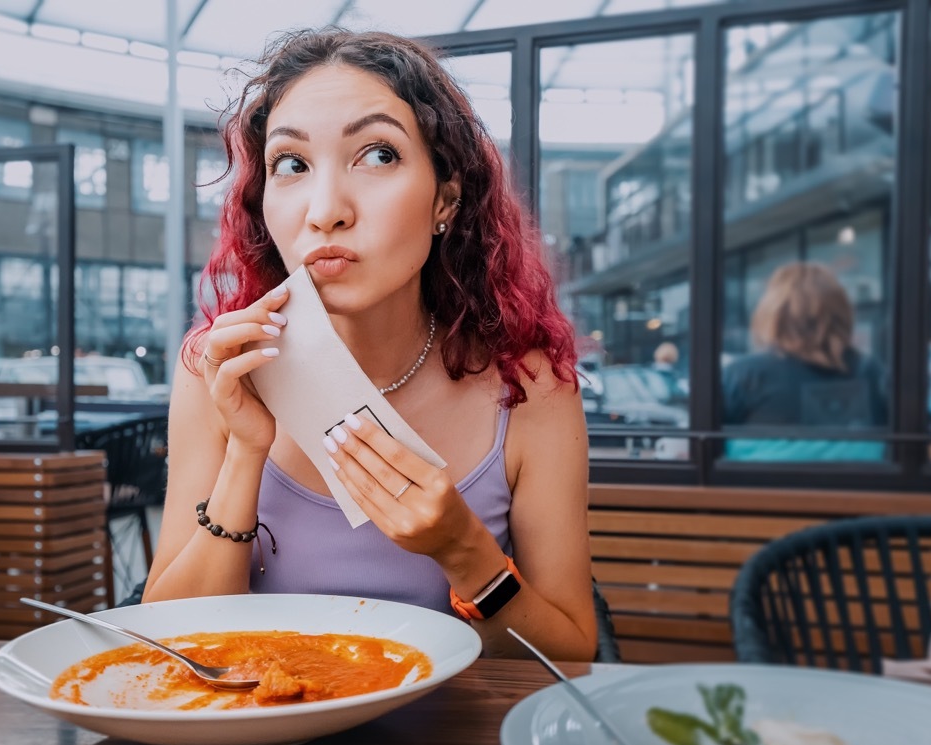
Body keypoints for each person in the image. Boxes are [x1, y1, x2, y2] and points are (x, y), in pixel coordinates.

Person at [143, 29, 597, 660]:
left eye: (378, 155)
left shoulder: (529, 387)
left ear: (446, 197)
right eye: (292, 164)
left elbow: (572, 655)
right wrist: (245, 453)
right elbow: (165, 646)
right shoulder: (217, 370)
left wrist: (463, 549)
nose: (325, 210)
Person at [722, 261, 887, 461]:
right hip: (858, 481)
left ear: (773, 313)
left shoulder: (743, 376)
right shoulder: (872, 374)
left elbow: (703, 451)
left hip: (759, 481)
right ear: (842, 313)